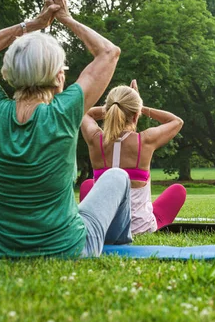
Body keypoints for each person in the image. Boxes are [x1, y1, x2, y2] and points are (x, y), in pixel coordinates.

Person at [0, 0, 131, 258]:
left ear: (10, 72)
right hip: (66, 248)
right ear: (58, 75)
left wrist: (34, 24)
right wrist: (65, 17)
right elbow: (109, 52)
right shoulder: (65, 110)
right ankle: (118, 243)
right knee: (117, 176)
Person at [80, 80, 186, 234]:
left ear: (108, 112)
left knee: (89, 185)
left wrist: (113, 107)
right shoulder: (145, 140)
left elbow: (85, 112)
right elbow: (176, 121)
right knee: (178, 191)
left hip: (103, 228)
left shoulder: (95, 138)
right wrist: (140, 107)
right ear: (136, 115)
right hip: (140, 228)